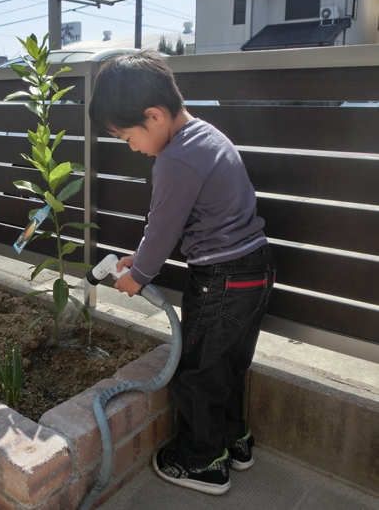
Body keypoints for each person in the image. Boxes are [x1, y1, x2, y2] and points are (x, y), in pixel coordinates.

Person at [89, 50, 276, 496]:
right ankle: (235, 442)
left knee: (195, 371)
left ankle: (202, 463)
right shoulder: (207, 136)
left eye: (127, 137)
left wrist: (139, 274)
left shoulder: (174, 159)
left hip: (222, 279)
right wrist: (142, 257)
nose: (131, 147)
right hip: (256, 269)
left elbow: (164, 225)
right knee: (226, 366)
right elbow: (190, 218)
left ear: (153, 116)